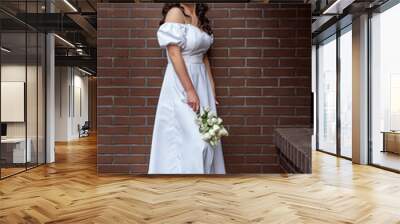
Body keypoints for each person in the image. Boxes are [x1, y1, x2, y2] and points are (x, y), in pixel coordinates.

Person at [148, 3, 226, 174]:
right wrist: (190, 90)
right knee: (196, 142)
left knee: (208, 137)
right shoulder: (175, 13)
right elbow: (174, 54)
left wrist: (211, 90)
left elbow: (204, 57)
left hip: (202, 83)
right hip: (181, 84)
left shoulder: (199, 15)